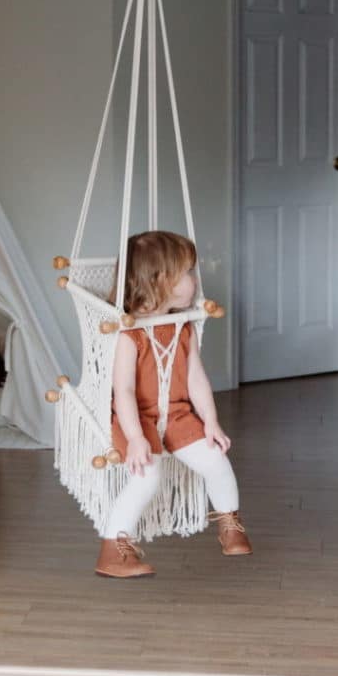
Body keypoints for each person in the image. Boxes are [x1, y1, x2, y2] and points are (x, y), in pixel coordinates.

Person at [95, 230, 252, 578]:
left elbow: (195, 378)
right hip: (136, 418)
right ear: (160, 281)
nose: (195, 279)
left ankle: (229, 521)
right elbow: (122, 391)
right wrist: (135, 437)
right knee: (145, 476)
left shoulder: (183, 326)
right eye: (188, 273)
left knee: (216, 460)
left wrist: (210, 421)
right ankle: (113, 549)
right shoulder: (129, 332)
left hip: (178, 413)